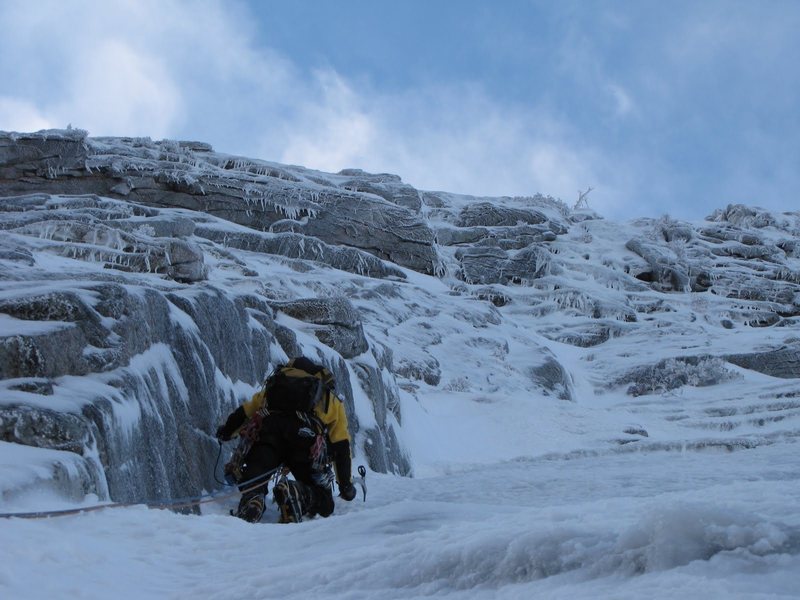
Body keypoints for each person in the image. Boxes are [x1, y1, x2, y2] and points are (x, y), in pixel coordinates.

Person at [216, 356, 357, 523]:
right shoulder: (329, 398)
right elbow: (341, 445)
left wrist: (226, 432)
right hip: (304, 442)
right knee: (324, 503)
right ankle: (298, 493)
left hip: (269, 434)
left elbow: (245, 412)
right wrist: (345, 485)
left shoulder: (276, 384)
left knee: (256, 475)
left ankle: (253, 499)